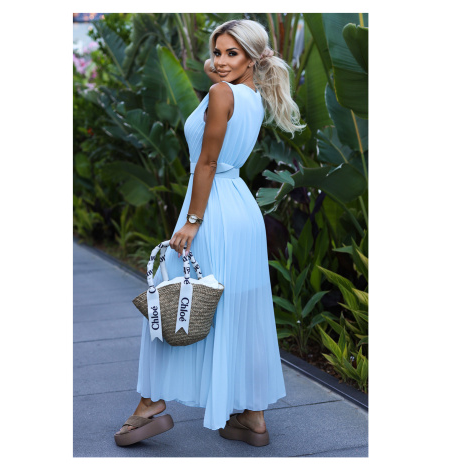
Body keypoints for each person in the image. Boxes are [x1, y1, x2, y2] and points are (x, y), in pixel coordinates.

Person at [114, 18, 306, 447]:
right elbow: (220, 70)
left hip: (210, 207)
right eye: (216, 52)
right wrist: (233, 60)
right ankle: (252, 417)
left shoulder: (222, 94)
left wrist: (192, 220)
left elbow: (206, 162)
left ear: (252, 59)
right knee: (237, 308)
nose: (219, 62)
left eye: (231, 53)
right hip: (242, 209)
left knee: (172, 300)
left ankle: (149, 404)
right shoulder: (252, 94)